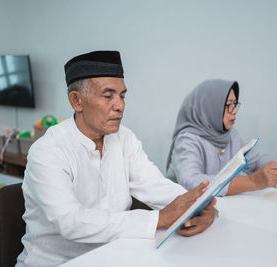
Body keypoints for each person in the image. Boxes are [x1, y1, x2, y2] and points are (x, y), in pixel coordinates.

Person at [16, 51, 217, 267]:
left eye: (122, 96)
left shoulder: (124, 138)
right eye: (108, 95)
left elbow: (154, 186)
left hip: (114, 256)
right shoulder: (48, 151)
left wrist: (199, 205)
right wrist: (158, 218)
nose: (120, 105)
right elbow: (70, 221)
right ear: (77, 101)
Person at [166, 79, 277, 196]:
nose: (234, 111)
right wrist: (252, 182)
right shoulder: (187, 140)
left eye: (235, 105)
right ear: (210, 108)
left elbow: (254, 160)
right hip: (187, 218)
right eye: (228, 105)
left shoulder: (230, 135)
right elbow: (191, 182)